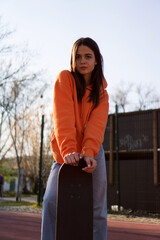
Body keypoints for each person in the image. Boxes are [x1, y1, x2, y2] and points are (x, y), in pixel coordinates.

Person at [41, 37, 109, 240]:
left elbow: (96, 127)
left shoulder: (102, 94)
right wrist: (68, 150)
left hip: (93, 152)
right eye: (77, 57)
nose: (83, 61)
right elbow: (63, 118)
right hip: (65, 151)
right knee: (51, 201)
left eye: (88, 56)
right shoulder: (65, 79)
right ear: (72, 60)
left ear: (96, 60)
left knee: (97, 208)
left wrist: (89, 154)